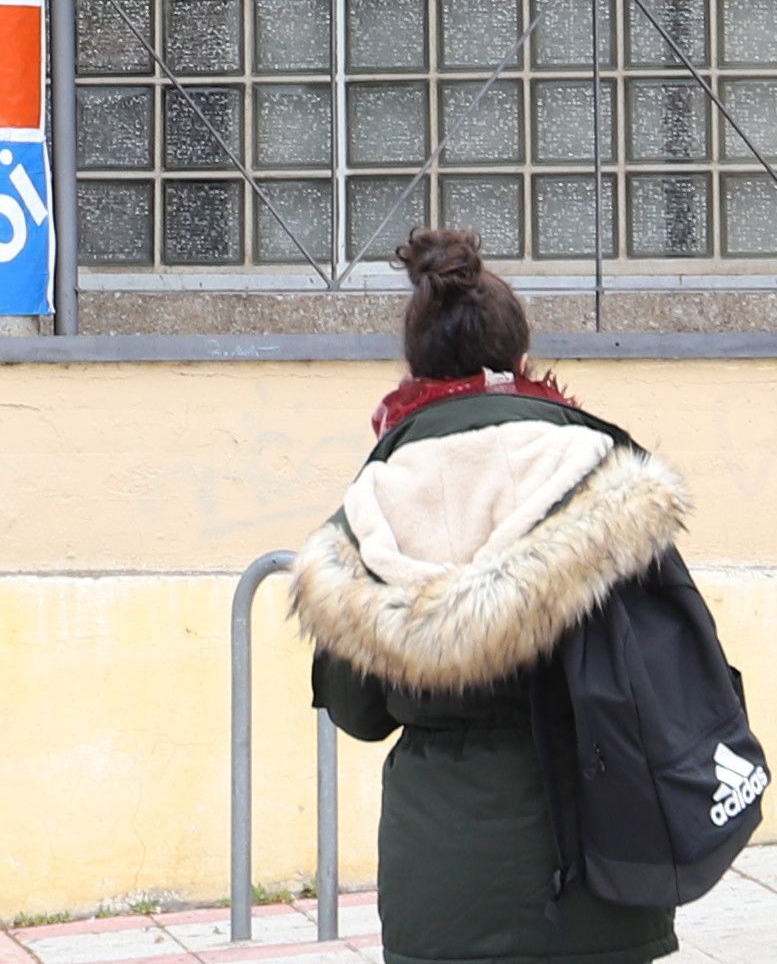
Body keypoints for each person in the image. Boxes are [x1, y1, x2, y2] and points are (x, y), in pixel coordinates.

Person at [291, 227, 689, 960]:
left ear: (414, 370)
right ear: (522, 359)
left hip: (441, 885)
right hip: (599, 867)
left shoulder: (376, 500)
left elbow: (359, 712)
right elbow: (674, 673)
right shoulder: (606, 479)